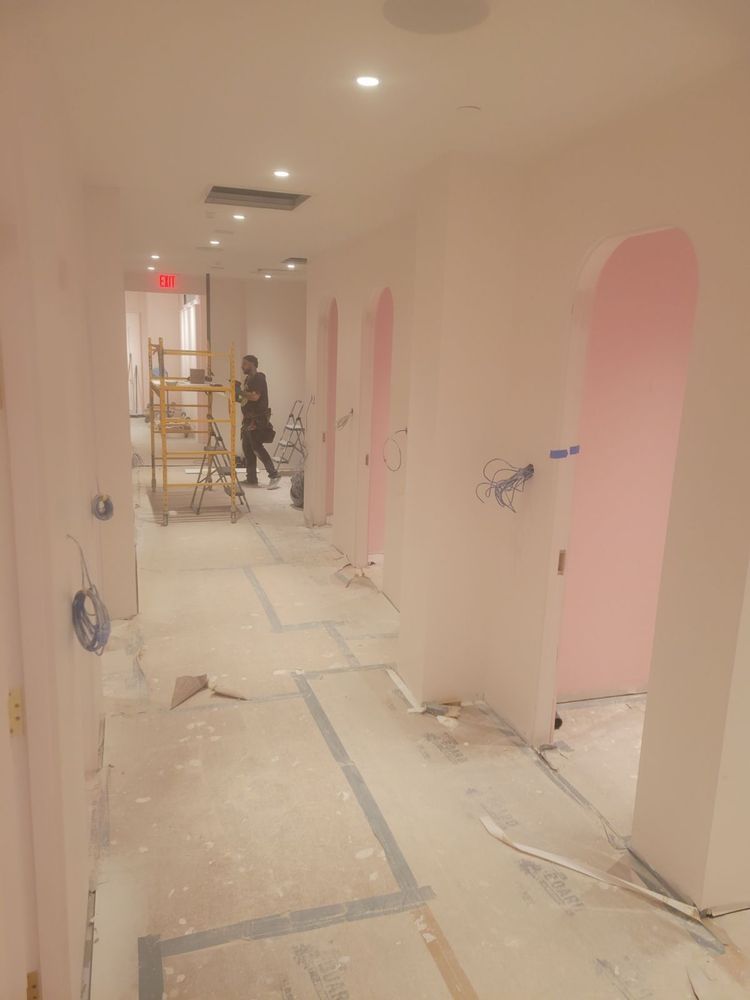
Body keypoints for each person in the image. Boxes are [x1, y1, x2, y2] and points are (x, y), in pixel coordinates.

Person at [239, 355, 281, 489]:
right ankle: (251, 478)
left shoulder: (259, 378)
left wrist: (240, 393)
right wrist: (237, 395)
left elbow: (255, 397)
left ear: (252, 364)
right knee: (247, 448)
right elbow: (245, 399)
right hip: (248, 420)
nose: (242, 366)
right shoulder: (248, 379)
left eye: (245, 364)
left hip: (257, 420)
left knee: (257, 448)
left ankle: (274, 475)